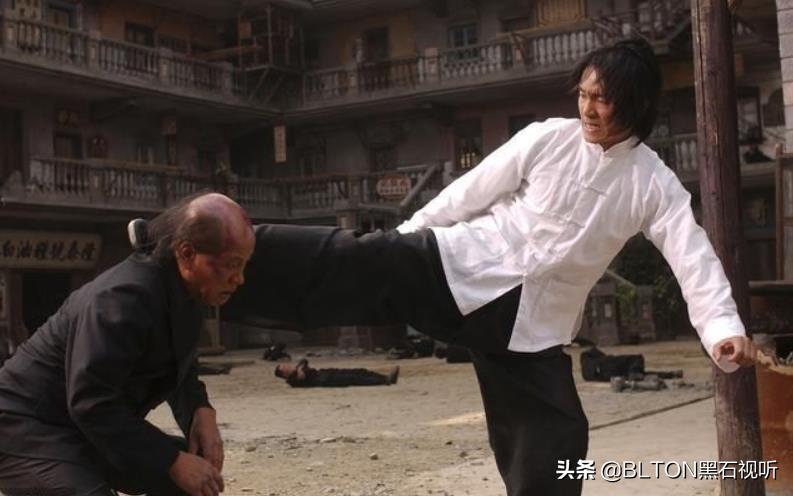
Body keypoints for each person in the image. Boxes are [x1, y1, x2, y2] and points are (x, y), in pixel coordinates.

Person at [224, 38, 756, 496]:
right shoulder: (549, 137)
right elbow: (470, 192)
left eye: (602, 99)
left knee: (557, 437)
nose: (589, 109)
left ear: (635, 104)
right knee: (350, 257)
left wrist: (722, 329)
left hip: (531, 328)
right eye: (583, 94)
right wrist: (406, 240)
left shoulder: (653, 183)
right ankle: (221, 253)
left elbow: (691, 254)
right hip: (463, 266)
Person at [0, 193, 254, 496]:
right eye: (231, 265)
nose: (239, 279)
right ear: (186, 254)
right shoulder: (121, 300)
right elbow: (91, 402)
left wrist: (200, 410)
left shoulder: (186, 293)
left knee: (194, 479)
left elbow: (180, 366)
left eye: (243, 266)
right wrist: (171, 460)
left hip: (84, 426)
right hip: (25, 427)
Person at [274, 358, 399, 387]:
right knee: (354, 378)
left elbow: (304, 361)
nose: (288, 366)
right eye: (285, 367)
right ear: (284, 374)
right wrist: (300, 370)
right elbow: (300, 377)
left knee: (360, 371)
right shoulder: (292, 380)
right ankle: (385, 380)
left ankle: (385, 377)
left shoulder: (297, 369)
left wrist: (300, 368)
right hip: (325, 380)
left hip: (325, 373)